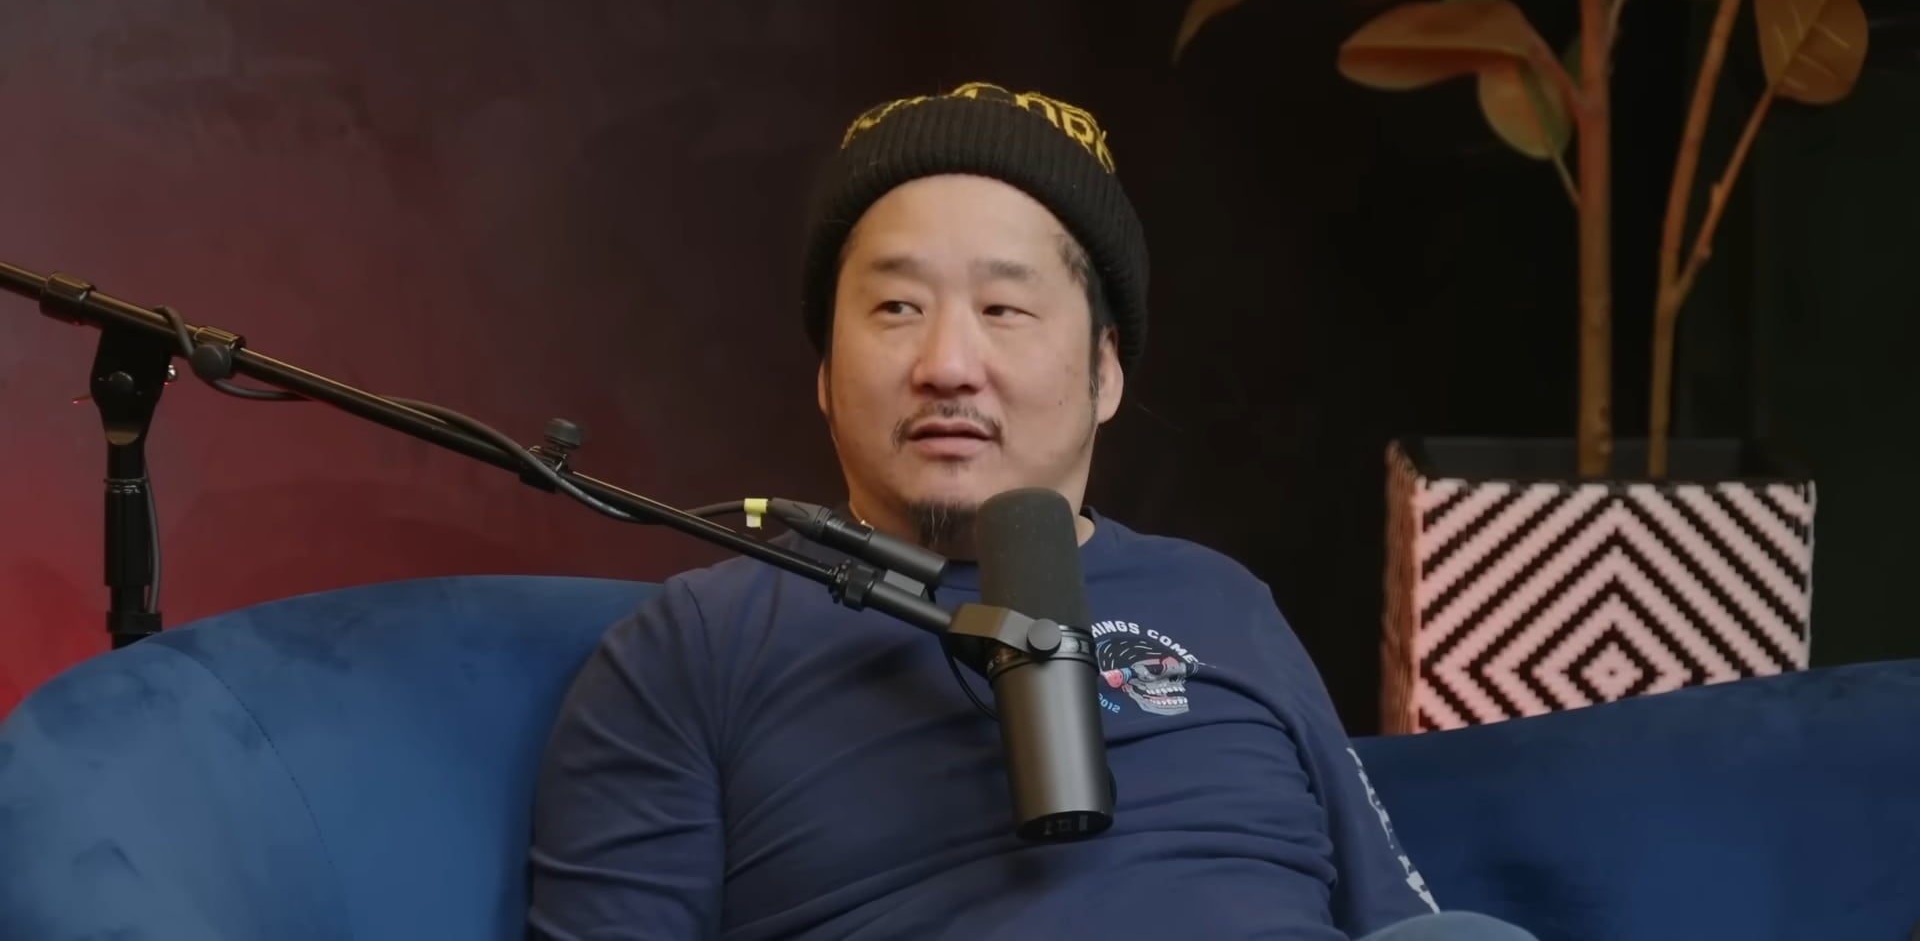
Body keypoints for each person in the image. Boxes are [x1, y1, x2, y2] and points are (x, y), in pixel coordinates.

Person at [527, 82, 1536, 941]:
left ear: (1104, 374)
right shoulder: (692, 650)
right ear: (826, 377)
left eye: (1005, 310)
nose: (947, 366)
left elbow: (1398, 916)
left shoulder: (1222, 600)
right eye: (895, 309)